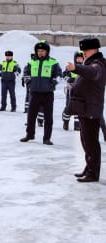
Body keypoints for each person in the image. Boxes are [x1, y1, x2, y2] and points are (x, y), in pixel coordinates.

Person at [65, 38, 106, 182]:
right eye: (83, 51)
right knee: (85, 141)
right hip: (85, 108)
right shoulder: (89, 63)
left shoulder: (98, 65)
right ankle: (89, 168)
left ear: (95, 50)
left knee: (91, 142)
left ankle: (93, 173)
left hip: (91, 109)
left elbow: (92, 73)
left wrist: (76, 68)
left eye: (86, 50)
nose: (84, 53)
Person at [21, 40, 61, 145]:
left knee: (48, 117)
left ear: (47, 51)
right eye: (38, 51)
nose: (40, 52)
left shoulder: (53, 62)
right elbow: (26, 73)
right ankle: (30, 135)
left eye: (42, 50)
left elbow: (59, 75)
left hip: (48, 94)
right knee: (31, 115)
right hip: (34, 93)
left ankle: (46, 138)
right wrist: (29, 83)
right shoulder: (31, 62)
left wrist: (52, 84)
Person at [62, 51, 84, 131]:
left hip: (80, 92)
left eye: (81, 58)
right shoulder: (70, 67)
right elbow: (63, 75)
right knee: (69, 107)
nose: (79, 60)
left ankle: (77, 125)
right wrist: (69, 79)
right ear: (75, 59)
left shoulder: (85, 67)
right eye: (78, 58)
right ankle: (65, 121)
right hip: (71, 91)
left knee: (78, 108)